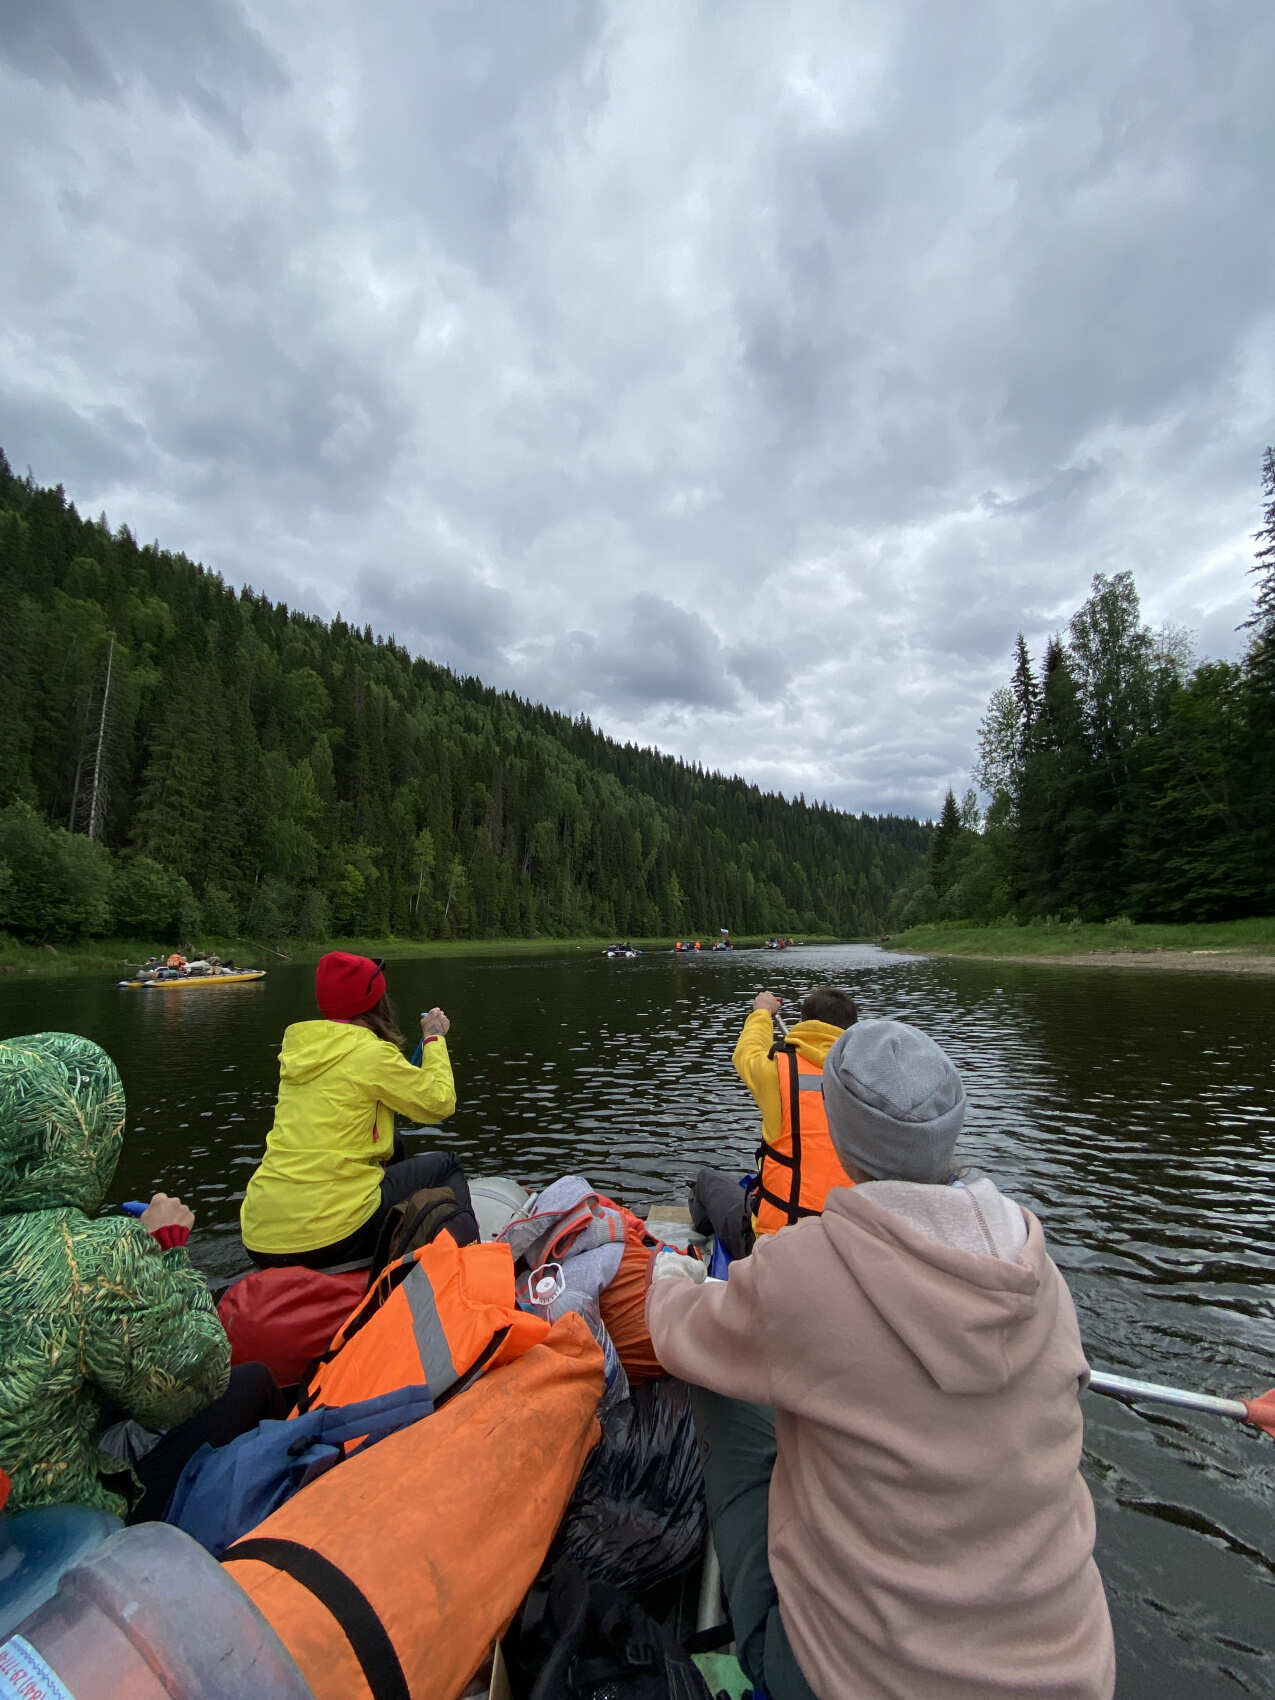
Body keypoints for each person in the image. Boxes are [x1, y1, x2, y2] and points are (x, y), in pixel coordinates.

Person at [648, 1018, 1115, 1700]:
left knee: (717, 1385)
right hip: (1072, 1674)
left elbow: (674, 1333)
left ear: (842, 1137)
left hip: (852, 1679)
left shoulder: (803, 1268)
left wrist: (671, 1274)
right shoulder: (1037, 1268)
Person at [0, 1032, 285, 1522]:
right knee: (252, 1382)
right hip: (52, 1522)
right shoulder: (91, 1256)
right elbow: (196, 1382)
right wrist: (169, 1252)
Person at [240, 952, 473, 1270]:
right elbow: (440, 1102)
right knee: (447, 1165)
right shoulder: (371, 1054)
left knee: (394, 1140)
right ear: (377, 1004)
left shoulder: (299, 1051)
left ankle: (392, 1233)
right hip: (329, 1238)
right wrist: (433, 1037)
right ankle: (466, 1263)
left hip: (259, 1236)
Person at [690, 985, 859, 1258]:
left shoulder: (777, 1071)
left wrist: (762, 1012)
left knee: (706, 1182)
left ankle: (706, 1249)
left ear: (804, 1022)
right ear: (851, 1030)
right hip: (850, 1246)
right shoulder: (871, 1080)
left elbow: (746, 1052)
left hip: (777, 1248)